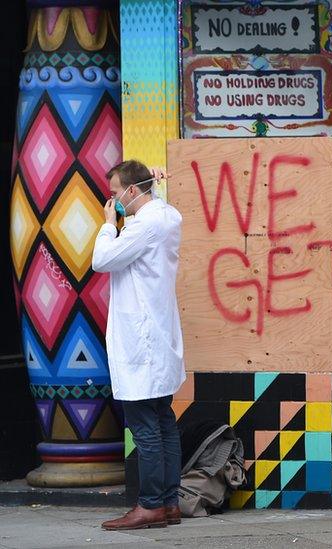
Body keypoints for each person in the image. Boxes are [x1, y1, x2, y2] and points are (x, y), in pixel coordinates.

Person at [94, 160, 186, 530]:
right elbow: (150, 210)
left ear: (132, 191)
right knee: (163, 422)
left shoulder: (144, 226)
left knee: (145, 426)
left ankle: (150, 506)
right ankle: (169, 503)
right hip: (158, 338)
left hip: (142, 341)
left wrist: (107, 225)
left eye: (115, 193)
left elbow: (102, 260)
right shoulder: (165, 216)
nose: (112, 200)